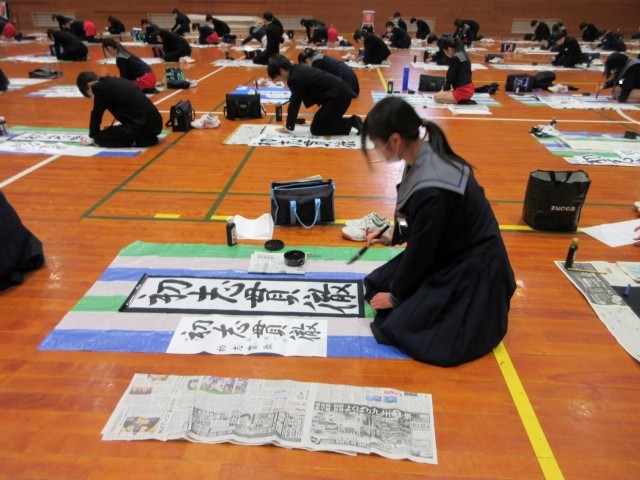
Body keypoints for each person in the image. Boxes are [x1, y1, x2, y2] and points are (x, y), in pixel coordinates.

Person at [360, 97, 516, 366]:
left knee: (399, 326)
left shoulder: (432, 187)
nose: (376, 149)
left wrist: (396, 297)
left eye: (376, 143)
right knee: (378, 284)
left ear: (394, 140)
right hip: (452, 246)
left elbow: (422, 250)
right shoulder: (423, 153)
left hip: (475, 265)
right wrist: (393, 236)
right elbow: (422, 224)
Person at [267, 54, 362, 136]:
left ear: (281, 71)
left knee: (317, 129)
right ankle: (351, 121)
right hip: (337, 94)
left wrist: (288, 127)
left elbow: (294, 103)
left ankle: (351, 122)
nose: (279, 81)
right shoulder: (296, 69)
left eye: (277, 78)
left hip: (338, 97)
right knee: (319, 124)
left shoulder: (294, 78)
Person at [76, 71, 163, 148]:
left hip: (142, 127)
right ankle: (146, 137)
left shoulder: (98, 88)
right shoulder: (116, 80)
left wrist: (92, 138)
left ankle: (140, 141)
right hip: (157, 125)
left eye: (91, 94)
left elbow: (97, 114)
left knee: (100, 138)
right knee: (112, 131)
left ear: (90, 85)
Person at [434, 38, 473, 104]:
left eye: (445, 52)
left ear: (449, 49)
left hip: (463, 91)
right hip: (469, 89)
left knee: (436, 98)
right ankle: (461, 98)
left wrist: (443, 91)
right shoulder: (463, 55)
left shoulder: (455, 58)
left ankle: (461, 100)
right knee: (442, 94)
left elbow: (450, 78)